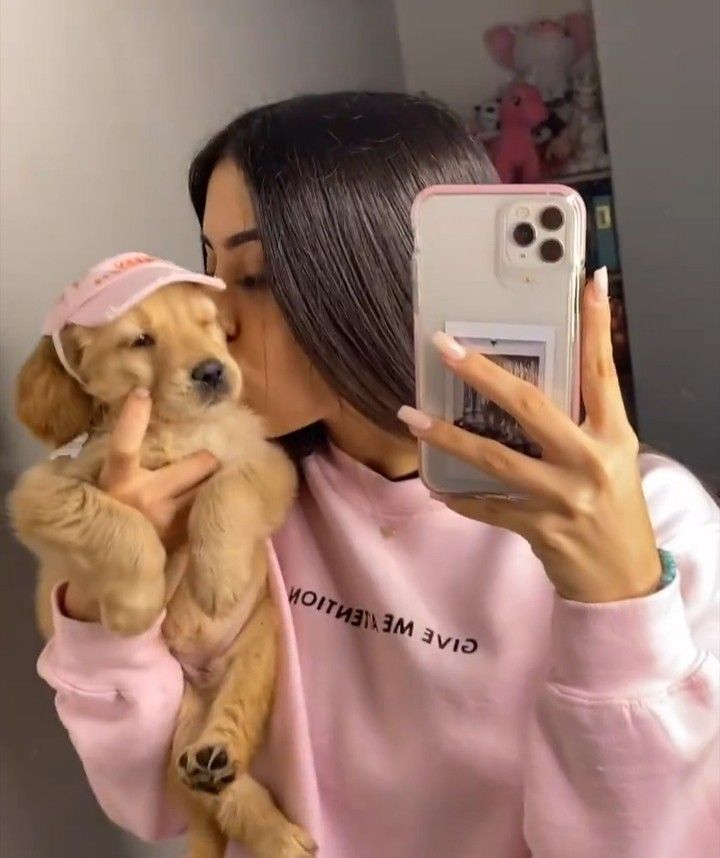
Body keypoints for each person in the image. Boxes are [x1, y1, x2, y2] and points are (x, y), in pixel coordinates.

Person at [37, 93, 719, 858]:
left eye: (256, 275)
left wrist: (617, 612)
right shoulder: (241, 502)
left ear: (381, 278)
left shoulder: (658, 522)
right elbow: (159, 803)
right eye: (209, 271)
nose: (215, 319)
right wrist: (103, 591)